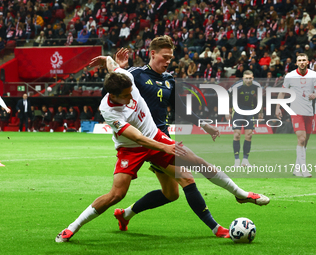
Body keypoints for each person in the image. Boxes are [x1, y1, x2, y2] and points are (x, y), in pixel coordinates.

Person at [55, 59, 254, 243]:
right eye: (126, 95)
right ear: (113, 96)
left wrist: (106, 59)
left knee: (195, 165)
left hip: (155, 135)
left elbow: (112, 65)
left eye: (131, 91)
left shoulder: (126, 79)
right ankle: (73, 227)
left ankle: (239, 194)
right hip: (131, 149)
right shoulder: (108, 111)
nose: (131, 95)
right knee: (117, 194)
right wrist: (166, 147)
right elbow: (137, 138)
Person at [276, 53, 316, 177]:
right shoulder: (290, 76)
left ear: (307, 62)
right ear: (296, 63)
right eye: (299, 60)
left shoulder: (313, 75)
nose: (302, 62)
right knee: (301, 139)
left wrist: (315, 95)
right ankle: (304, 170)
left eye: (304, 60)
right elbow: (282, 93)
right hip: (296, 111)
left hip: (309, 112)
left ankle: (296, 168)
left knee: (305, 142)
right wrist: (277, 107)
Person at [228, 70, 262, 167]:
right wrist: (227, 111)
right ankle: (237, 161)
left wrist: (260, 112)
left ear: (253, 78)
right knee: (237, 134)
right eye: (246, 78)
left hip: (250, 111)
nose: (248, 80)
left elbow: (260, 99)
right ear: (243, 78)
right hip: (237, 111)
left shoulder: (257, 86)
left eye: (250, 78)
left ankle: (245, 160)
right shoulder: (236, 86)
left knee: (249, 135)